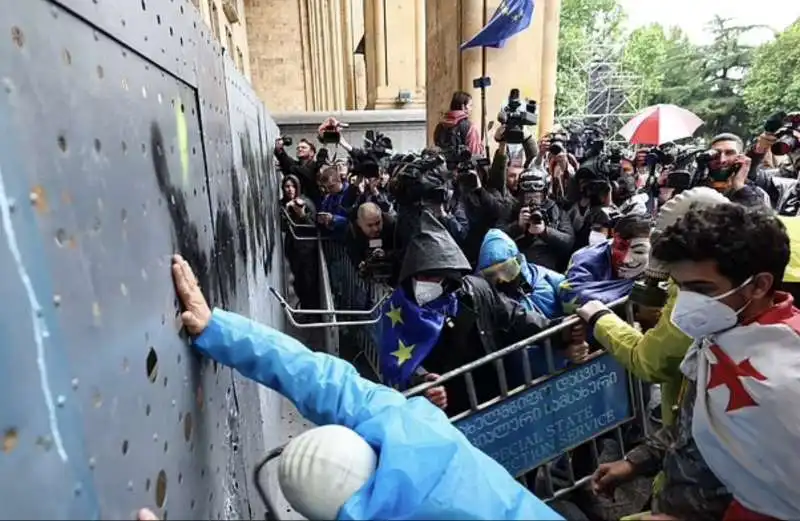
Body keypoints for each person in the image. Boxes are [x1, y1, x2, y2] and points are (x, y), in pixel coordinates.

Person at [165, 254, 562, 521]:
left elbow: (318, 378)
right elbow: (326, 382)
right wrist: (218, 329)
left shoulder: (401, 424)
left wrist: (220, 330)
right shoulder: (415, 432)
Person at [647, 203, 800, 521]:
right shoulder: (722, 332)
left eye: (701, 290)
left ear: (759, 285)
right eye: (680, 288)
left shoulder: (789, 374)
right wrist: (636, 461)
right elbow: (696, 424)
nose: (686, 304)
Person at [378, 212, 572, 416]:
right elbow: (397, 356)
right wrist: (422, 380)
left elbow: (517, 317)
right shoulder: (400, 308)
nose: (425, 282)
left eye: (433, 276)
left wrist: (561, 331)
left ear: (448, 276)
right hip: (445, 409)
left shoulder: (476, 290)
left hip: (491, 394)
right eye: (421, 276)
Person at [476, 228, 586, 378]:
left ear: (519, 261)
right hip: (534, 383)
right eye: (492, 275)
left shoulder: (545, 277)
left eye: (507, 270)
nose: (501, 279)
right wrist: (561, 354)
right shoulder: (493, 304)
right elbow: (514, 352)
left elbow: (576, 304)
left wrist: (579, 337)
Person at [560, 213, 652, 314]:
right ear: (613, 237)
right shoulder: (585, 258)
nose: (625, 260)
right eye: (620, 248)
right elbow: (571, 297)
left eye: (639, 251)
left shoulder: (660, 266)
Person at [433, 91, 483, 157]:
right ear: (463, 107)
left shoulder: (440, 125)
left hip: (442, 165)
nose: (471, 109)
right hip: (463, 166)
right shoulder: (469, 127)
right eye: (470, 105)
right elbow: (474, 153)